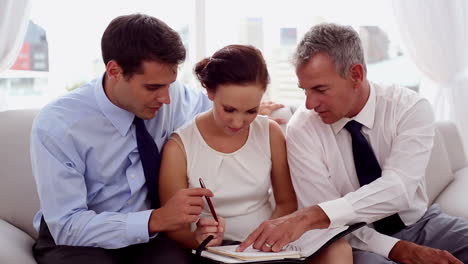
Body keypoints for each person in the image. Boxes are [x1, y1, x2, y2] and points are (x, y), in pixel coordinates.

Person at [29, 14, 281, 264]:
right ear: (114, 71)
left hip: (149, 239)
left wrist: (251, 111)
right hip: (79, 239)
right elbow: (67, 225)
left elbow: (220, 105)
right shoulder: (59, 124)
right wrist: (155, 220)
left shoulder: (174, 97)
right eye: (152, 88)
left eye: (169, 85)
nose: (166, 99)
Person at [238, 23, 468, 264]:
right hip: (349, 237)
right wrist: (399, 249)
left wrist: (312, 215)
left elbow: (397, 188)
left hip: (419, 222)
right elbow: (330, 225)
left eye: (320, 89)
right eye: (305, 90)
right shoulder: (302, 129)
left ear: (356, 75)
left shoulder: (408, 108)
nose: (309, 104)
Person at [159, 44, 353, 264]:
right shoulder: (179, 147)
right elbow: (174, 226)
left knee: (338, 250)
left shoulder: (269, 132)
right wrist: (198, 238)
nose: (238, 122)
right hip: (216, 252)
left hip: (268, 245)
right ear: (210, 92)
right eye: (229, 109)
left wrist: (264, 242)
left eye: (251, 111)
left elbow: (286, 202)